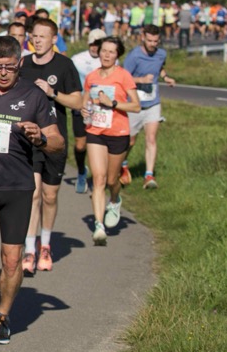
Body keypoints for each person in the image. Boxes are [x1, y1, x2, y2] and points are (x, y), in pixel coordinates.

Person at [0, 36, 64, 346]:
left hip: (17, 187)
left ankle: (3, 315)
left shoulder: (34, 95)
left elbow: (58, 142)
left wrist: (40, 138)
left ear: (20, 63)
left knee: (10, 258)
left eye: (9, 67)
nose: (3, 73)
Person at [18, 17, 83, 275]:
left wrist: (52, 93)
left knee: (49, 195)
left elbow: (78, 102)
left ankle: (45, 244)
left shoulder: (65, 66)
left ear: (54, 39)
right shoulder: (23, 64)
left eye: (43, 36)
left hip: (54, 139)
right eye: (34, 36)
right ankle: (29, 248)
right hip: (29, 139)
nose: (37, 40)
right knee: (33, 194)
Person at [82, 37, 141, 245]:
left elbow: (136, 106)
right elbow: (85, 101)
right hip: (95, 132)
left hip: (118, 132)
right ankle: (99, 226)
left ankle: (115, 200)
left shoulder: (123, 76)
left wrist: (113, 103)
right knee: (98, 179)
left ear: (117, 55)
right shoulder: (91, 77)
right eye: (104, 51)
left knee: (111, 180)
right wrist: (84, 110)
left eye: (111, 52)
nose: (106, 55)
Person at [123, 25, 175, 189]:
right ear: (143, 38)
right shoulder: (134, 56)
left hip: (153, 102)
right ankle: (123, 164)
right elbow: (123, 78)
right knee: (130, 141)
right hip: (134, 104)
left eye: (155, 41)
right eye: (149, 40)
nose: (152, 44)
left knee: (151, 138)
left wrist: (165, 77)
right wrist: (141, 80)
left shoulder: (161, 54)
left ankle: (149, 175)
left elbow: (159, 67)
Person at [69, 29, 107, 193]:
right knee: (80, 145)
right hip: (81, 106)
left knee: (98, 143)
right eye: (92, 43)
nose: (94, 47)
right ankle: (81, 171)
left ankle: (99, 178)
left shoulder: (108, 60)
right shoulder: (77, 59)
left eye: (98, 44)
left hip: (100, 107)